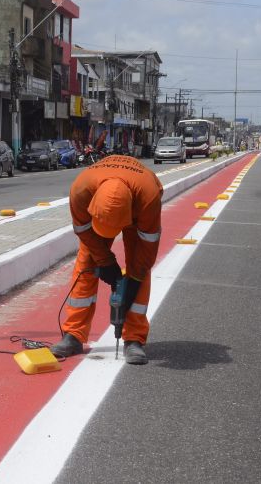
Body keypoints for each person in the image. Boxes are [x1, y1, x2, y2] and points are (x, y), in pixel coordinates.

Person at [50, 155, 163, 365]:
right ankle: (73, 335)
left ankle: (134, 339)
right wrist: (105, 262)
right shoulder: (81, 190)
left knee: (139, 269)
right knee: (87, 264)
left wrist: (133, 283)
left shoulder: (149, 197)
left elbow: (147, 251)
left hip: (137, 212)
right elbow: (84, 231)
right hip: (102, 209)